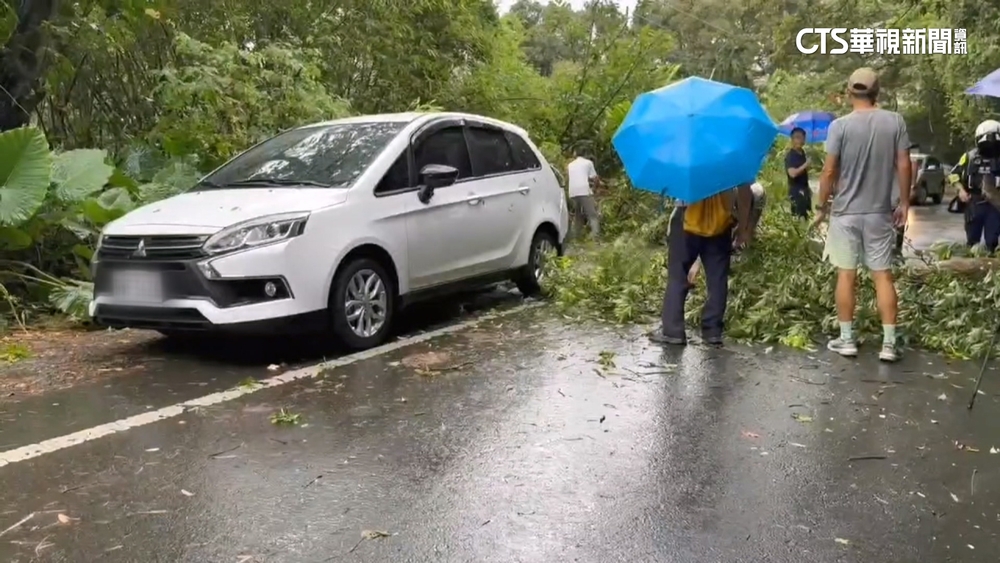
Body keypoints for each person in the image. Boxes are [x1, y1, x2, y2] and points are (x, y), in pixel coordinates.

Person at [814, 67, 910, 362]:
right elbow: (905, 164)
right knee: (883, 276)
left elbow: (829, 170)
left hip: (845, 214)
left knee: (846, 275)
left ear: (848, 92)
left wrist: (821, 207)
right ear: (877, 92)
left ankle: (847, 340)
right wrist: (904, 202)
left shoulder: (839, 127)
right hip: (879, 212)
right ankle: (889, 344)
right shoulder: (894, 122)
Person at [649, 183, 753, 346]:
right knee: (717, 278)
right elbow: (745, 191)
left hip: (687, 217)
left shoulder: (687, 157)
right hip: (721, 221)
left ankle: (673, 332)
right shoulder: (731, 159)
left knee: (678, 274)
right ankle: (712, 332)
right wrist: (743, 227)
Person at [686, 181, 766, 285]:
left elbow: (748, 228)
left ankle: (743, 262)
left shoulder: (756, 196)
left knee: (745, 238)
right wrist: (697, 263)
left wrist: (744, 231)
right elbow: (708, 234)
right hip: (728, 207)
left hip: (750, 200)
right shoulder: (717, 203)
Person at [948, 119, 1000, 254]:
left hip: (995, 205)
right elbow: (954, 174)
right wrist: (960, 190)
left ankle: (990, 266)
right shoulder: (969, 157)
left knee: (992, 243)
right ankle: (971, 267)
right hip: (973, 203)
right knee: (972, 241)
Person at [566, 150, 601, 238]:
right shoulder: (588, 163)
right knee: (592, 214)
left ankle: (576, 235)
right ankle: (595, 236)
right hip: (584, 191)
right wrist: (594, 188)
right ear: (585, 154)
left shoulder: (570, 165)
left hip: (572, 192)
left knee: (577, 215)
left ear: (575, 154)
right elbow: (595, 178)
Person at [785, 127, 811, 218]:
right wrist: (805, 165)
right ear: (792, 139)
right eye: (797, 137)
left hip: (805, 190)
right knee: (798, 217)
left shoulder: (803, 153)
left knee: (806, 217)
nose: (799, 140)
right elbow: (792, 173)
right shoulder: (790, 156)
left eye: (801, 138)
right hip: (796, 192)